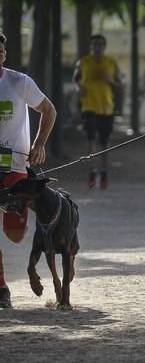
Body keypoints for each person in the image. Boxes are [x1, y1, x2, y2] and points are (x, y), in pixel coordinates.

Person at [0, 31, 56, 308]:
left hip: (14, 166)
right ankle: (1, 288)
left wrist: (39, 144)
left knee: (14, 233)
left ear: (5, 55)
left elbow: (49, 110)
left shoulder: (19, 82)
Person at [73, 34, 122, 189]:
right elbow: (76, 79)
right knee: (91, 138)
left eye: (100, 44)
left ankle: (104, 171)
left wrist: (110, 80)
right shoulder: (83, 62)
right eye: (94, 44)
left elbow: (120, 85)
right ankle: (92, 171)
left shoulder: (111, 63)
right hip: (89, 106)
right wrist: (78, 88)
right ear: (91, 46)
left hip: (106, 108)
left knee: (105, 142)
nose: (97, 47)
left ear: (104, 46)